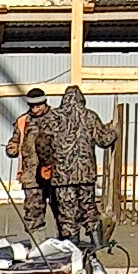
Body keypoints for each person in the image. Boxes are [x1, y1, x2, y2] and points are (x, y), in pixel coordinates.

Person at [50, 80, 115, 263]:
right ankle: (96, 241)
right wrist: (114, 131)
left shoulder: (54, 117)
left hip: (62, 175)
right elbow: (104, 140)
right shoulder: (89, 116)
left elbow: (44, 142)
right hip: (85, 174)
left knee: (67, 211)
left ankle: (72, 247)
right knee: (88, 207)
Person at [8, 87, 57, 239]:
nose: (35, 109)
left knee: (62, 211)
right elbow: (15, 140)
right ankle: (38, 244)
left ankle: (65, 244)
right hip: (31, 176)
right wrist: (12, 148)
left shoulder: (57, 118)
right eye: (32, 106)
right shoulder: (23, 121)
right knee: (33, 212)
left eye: (38, 106)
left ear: (44, 103)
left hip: (55, 174)